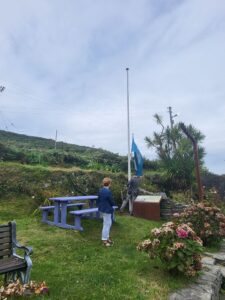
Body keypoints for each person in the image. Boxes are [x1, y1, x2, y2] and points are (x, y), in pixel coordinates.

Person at [97, 177, 115, 247]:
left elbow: (98, 200)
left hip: (102, 209)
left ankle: (107, 238)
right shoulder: (108, 191)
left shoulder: (100, 190)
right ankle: (104, 240)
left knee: (108, 223)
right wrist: (113, 204)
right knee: (106, 225)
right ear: (109, 184)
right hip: (107, 210)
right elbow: (111, 201)